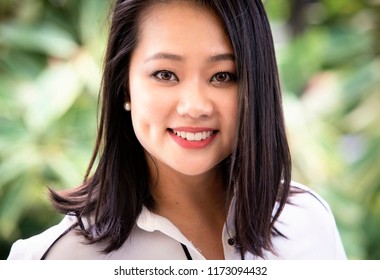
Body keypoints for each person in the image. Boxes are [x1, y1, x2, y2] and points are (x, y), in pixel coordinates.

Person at [7, 0, 346, 260]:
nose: (195, 106)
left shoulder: (305, 224)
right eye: (166, 74)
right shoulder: (56, 259)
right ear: (124, 86)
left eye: (223, 76)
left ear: (255, 87)